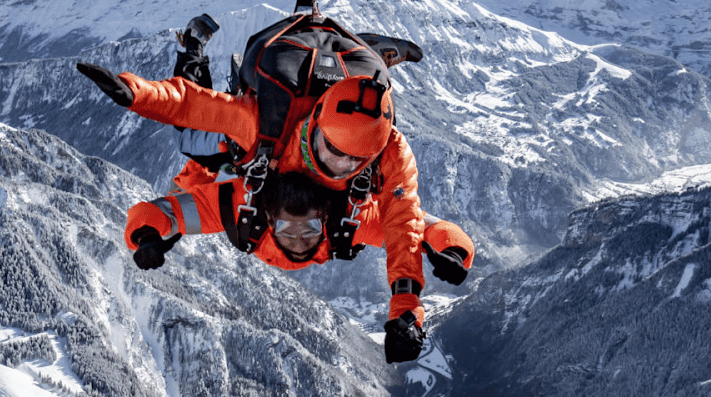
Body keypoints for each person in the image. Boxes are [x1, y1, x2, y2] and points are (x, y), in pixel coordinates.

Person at [78, 59, 433, 362]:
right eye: (333, 149)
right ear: (318, 125)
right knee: (197, 143)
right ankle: (191, 55)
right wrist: (137, 94)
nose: (340, 164)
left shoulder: (389, 153)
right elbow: (196, 105)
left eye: (356, 160)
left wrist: (405, 306)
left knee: (201, 152)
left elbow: (405, 223)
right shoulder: (268, 125)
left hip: (268, 173)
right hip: (252, 148)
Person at [125, 170, 475, 282]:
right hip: (232, 180)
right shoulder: (236, 206)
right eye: (288, 229)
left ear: (325, 220)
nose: (297, 241)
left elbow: (425, 224)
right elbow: (165, 210)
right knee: (197, 172)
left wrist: (449, 249)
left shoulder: (350, 219)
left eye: (307, 229)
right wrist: (148, 235)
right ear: (268, 220)